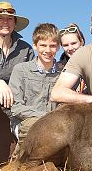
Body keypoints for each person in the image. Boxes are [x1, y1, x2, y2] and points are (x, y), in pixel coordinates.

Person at [0, 0, 34, 171]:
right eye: (0, 18)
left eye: (9, 19)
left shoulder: (26, 49)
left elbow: (30, 78)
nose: (5, 22)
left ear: (15, 23)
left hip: (10, 104)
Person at [9, 23, 61, 152]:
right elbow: (16, 107)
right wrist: (45, 117)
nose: (47, 50)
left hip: (55, 123)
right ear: (34, 45)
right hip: (23, 122)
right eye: (43, 45)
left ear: (58, 47)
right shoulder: (21, 70)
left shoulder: (63, 73)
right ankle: (19, 161)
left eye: (52, 46)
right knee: (35, 129)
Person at [59, 23, 87, 94]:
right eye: (65, 45)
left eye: (73, 43)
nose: (70, 48)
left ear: (81, 42)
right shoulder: (58, 69)